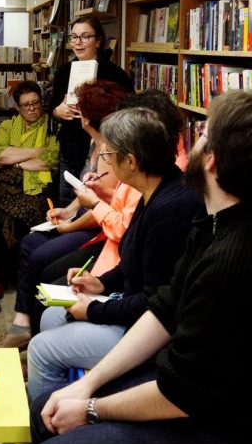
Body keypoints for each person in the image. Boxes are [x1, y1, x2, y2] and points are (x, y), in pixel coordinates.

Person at [32, 91, 252, 444]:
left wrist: (90, 409)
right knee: (47, 408)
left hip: (234, 429)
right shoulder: (219, 217)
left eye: (202, 135)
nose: (188, 145)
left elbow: (181, 394)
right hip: (200, 396)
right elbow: (166, 307)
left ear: (212, 162)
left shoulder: (237, 260)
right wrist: (85, 386)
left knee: (57, 437)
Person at [26, 102, 203, 401]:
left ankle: (52, 425)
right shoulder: (154, 189)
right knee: (51, 316)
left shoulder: (169, 209)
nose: (104, 163)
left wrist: (94, 309)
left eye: (108, 156)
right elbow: (133, 258)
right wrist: (102, 283)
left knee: (41, 349)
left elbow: (155, 302)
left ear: (131, 161)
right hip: (131, 307)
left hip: (148, 334)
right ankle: (57, 398)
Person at [0, 80, 129, 344]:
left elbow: (106, 205)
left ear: (89, 117)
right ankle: (22, 319)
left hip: (97, 228)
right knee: (28, 242)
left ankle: (34, 335)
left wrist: (70, 225)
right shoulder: (94, 146)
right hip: (85, 217)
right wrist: (66, 210)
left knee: (40, 260)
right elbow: (85, 189)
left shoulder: (112, 151)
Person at [49, 16, 133, 206]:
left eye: (85, 37)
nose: (78, 43)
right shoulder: (63, 72)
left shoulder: (115, 74)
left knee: (97, 200)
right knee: (67, 201)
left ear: (98, 41)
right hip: (71, 147)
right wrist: (58, 111)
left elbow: (128, 110)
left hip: (105, 149)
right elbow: (52, 107)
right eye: (74, 37)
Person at [0, 80, 58, 298]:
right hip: (6, 186)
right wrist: (37, 151)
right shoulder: (6, 127)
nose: (32, 108)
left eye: (36, 103)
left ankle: (23, 274)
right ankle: (0, 275)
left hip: (39, 189)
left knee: (28, 211)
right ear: (17, 107)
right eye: (26, 105)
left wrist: (16, 160)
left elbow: (51, 160)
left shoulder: (52, 127)